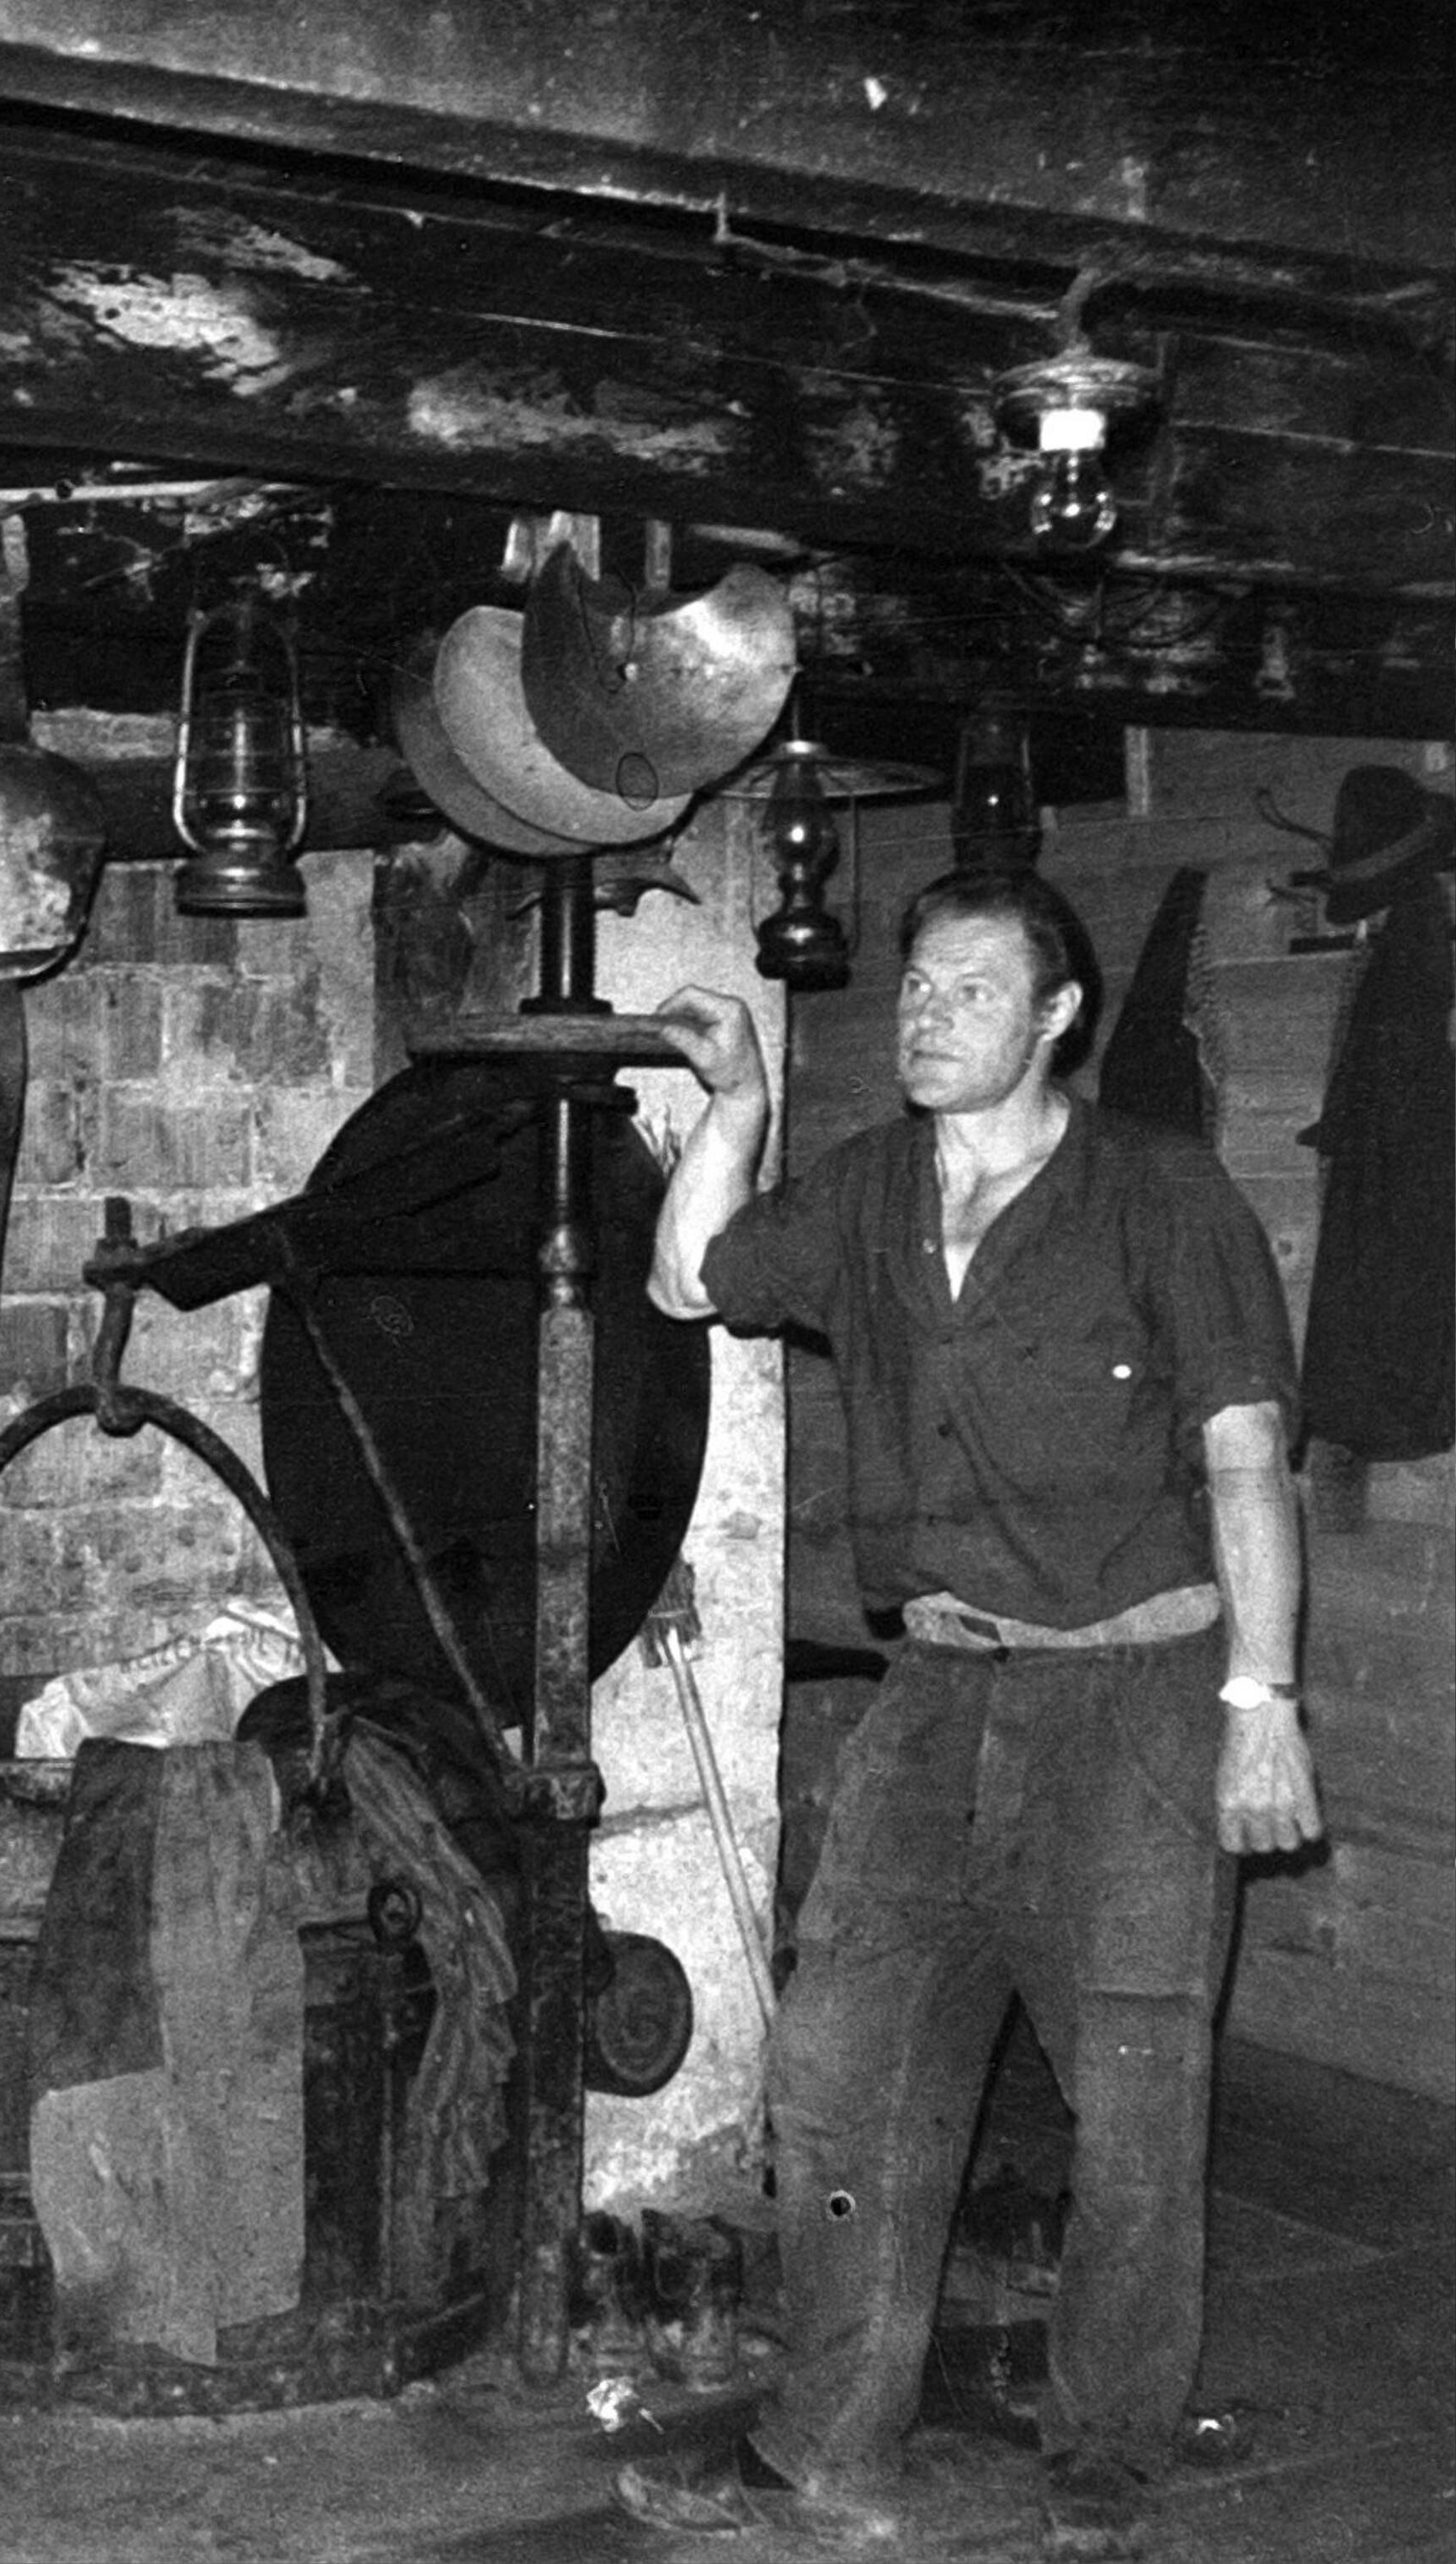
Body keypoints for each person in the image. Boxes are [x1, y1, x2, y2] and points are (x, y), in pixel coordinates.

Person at [620, 864, 1321, 2560]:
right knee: (839, 2070)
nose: (929, 1016)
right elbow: (687, 1278)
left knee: (1132, 2103)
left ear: (1058, 1016)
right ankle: (826, 2443)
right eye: (920, 988)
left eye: (973, 990)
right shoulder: (869, 1188)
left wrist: (1265, 1700)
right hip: (936, 1691)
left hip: (1136, 1702)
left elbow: (1244, 1456)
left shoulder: (1160, 1194)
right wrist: (741, 1099)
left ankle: (1106, 2459)